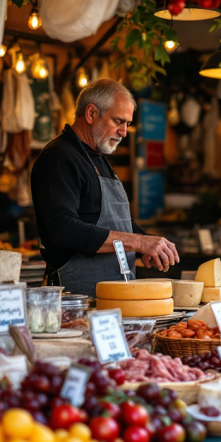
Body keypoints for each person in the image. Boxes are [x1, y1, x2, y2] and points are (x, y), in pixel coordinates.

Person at [32, 79, 178, 297]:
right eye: (118, 121)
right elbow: (63, 229)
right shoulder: (59, 157)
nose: (124, 132)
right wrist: (137, 242)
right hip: (75, 300)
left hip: (112, 298)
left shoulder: (97, 157)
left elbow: (114, 221)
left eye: (127, 124)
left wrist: (145, 244)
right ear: (91, 113)